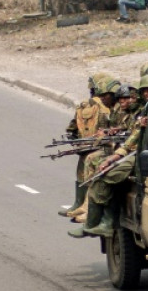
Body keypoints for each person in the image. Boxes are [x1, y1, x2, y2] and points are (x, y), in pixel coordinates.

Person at [68, 81, 148, 239]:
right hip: (134, 152)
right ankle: (92, 221)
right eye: (146, 90)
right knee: (101, 170)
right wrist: (115, 154)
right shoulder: (145, 111)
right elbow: (134, 135)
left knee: (106, 176)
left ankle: (101, 223)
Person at [58, 74, 117, 218]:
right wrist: (74, 138)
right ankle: (79, 203)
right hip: (91, 145)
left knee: (91, 165)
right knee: (82, 166)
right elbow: (74, 126)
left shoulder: (116, 108)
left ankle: (88, 207)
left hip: (107, 148)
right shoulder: (89, 106)